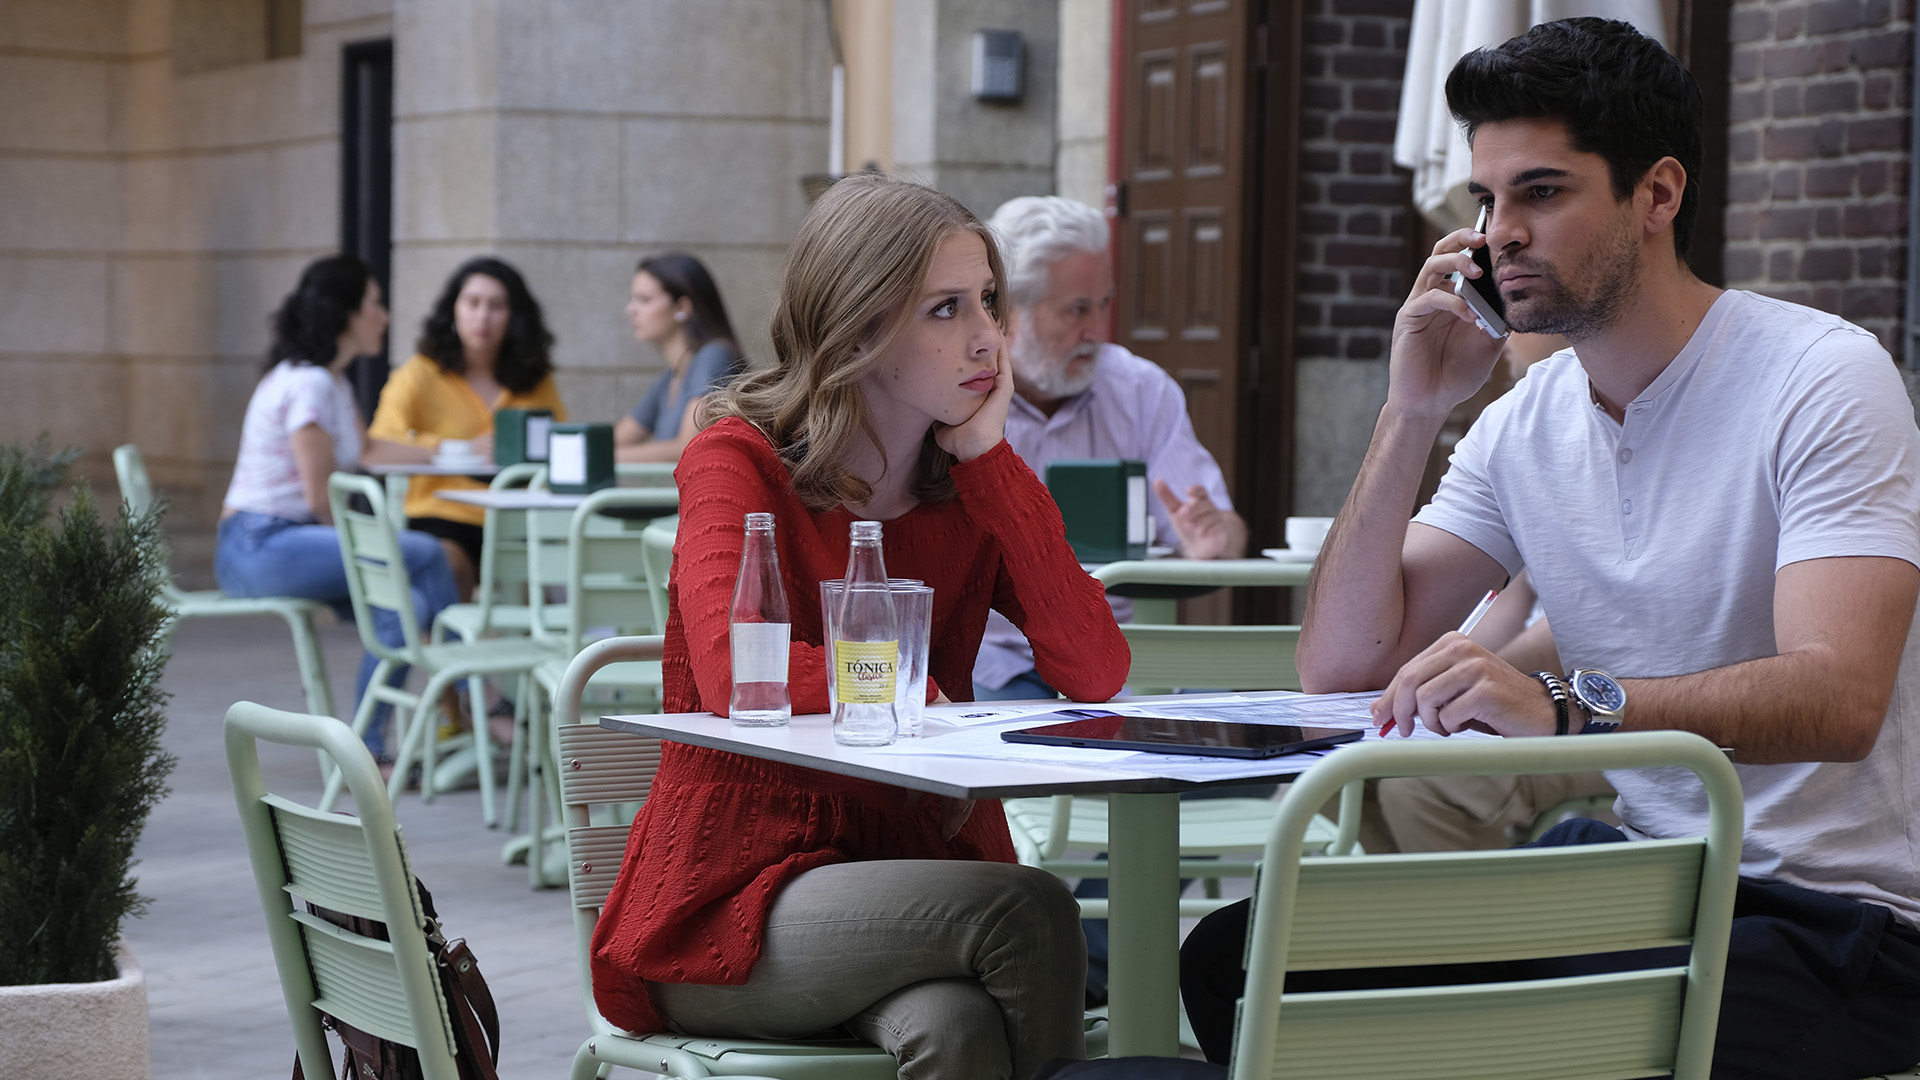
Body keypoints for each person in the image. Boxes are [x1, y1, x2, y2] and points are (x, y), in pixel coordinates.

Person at [1180, 19, 1920, 1078]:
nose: (1499, 236)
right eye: (1487, 201)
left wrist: (1568, 705)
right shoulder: (1523, 422)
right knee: (1243, 958)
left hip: (1837, 922)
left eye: (1541, 192)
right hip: (1643, 884)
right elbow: (1341, 665)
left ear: (1657, 194)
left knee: (1497, 1037)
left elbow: (1840, 699)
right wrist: (1410, 411)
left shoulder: (1821, 376)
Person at [589, 173, 1131, 1080]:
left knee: (956, 1027)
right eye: (946, 308)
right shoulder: (737, 459)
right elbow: (737, 670)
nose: (988, 337)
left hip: (905, 877)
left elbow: (1095, 666)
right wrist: (920, 696)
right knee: (1030, 908)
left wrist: (990, 458)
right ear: (857, 328)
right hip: (735, 900)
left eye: (988, 301)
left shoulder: (966, 488)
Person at [972, 195, 1248, 703]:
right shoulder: (960, 397)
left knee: (1228, 724)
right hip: (994, 661)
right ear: (1006, 315)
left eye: (1105, 304)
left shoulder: (1141, 390)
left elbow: (1224, 535)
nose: (1098, 330)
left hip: (1125, 659)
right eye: (1078, 309)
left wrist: (1211, 540)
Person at [215, 254, 458, 757]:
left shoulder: (331, 380)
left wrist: (453, 451)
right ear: (345, 313)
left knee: (408, 608)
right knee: (428, 553)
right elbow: (321, 497)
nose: (384, 316)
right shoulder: (312, 383)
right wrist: (380, 551)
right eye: (374, 304)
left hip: (278, 543)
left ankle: (368, 749)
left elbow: (367, 450)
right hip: (261, 543)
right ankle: (479, 698)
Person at [369, 256, 566, 598]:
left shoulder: (535, 378)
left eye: (496, 306)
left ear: (514, 316)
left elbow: (558, 444)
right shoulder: (420, 373)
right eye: (472, 303)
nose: (482, 317)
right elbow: (379, 444)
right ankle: (440, 634)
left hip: (518, 519)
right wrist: (457, 448)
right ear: (454, 309)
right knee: (446, 566)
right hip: (442, 515)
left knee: (554, 578)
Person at [614, 252, 744, 463]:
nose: (631, 309)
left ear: (682, 308)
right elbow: (616, 440)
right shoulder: (669, 378)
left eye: (644, 299)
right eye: (633, 299)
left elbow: (689, 446)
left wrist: (598, 457)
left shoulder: (714, 355)